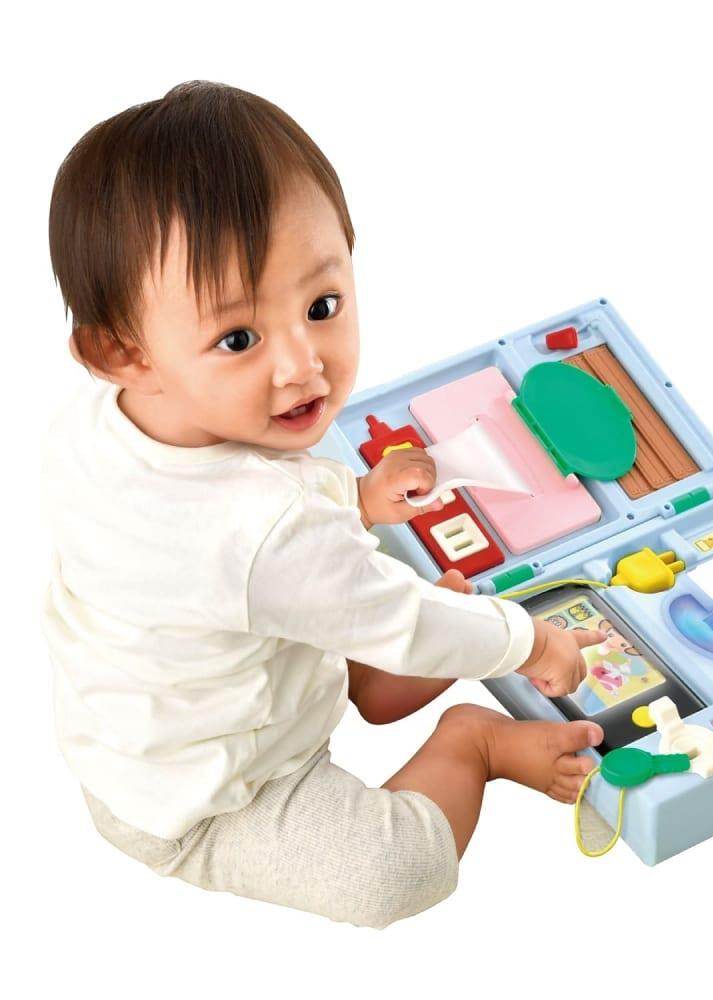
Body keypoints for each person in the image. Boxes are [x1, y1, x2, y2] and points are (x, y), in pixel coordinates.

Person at [42, 81, 605, 929]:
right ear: (125, 353)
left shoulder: (92, 424)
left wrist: (358, 499)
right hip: (216, 801)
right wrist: (529, 640)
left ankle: (375, 670)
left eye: (321, 306)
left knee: (368, 618)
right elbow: (270, 542)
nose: (303, 364)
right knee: (395, 877)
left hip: (141, 734)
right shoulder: (269, 529)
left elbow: (243, 533)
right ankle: (474, 741)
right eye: (239, 338)